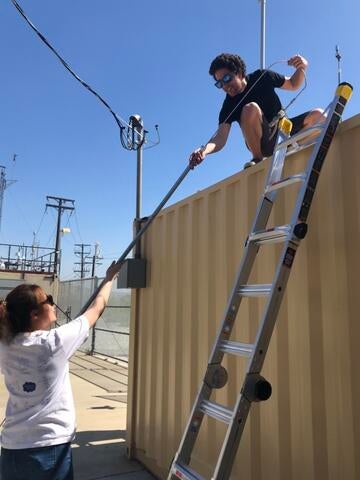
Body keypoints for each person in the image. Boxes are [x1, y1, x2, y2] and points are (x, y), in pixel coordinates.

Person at [0, 260, 121, 480]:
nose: (53, 304)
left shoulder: (6, 345)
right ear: (35, 315)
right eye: (49, 300)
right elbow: (98, 307)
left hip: (11, 449)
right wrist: (109, 278)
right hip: (50, 446)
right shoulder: (55, 342)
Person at [189, 52, 325, 170]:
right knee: (250, 108)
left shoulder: (262, 76)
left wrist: (302, 67)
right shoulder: (228, 105)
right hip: (265, 144)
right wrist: (203, 151)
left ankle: (293, 148)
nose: (225, 86)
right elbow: (220, 138)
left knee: (319, 114)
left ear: (239, 72)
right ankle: (257, 159)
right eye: (220, 83)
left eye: (226, 78)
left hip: (285, 132)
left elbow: (293, 84)